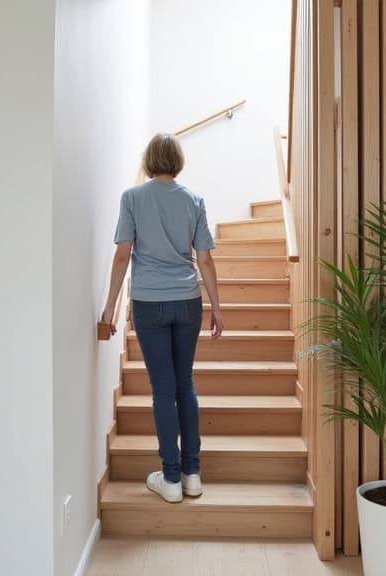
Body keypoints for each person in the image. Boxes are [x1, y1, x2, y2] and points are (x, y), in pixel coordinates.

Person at [100, 133, 223, 504]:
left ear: (150, 160)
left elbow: (123, 255)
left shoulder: (132, 198)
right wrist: (217, 307)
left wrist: (110, 306)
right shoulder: (194, 200)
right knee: (185, 385)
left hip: (150, 302)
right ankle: (192, 475)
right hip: (188, 301)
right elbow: (204, 259)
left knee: (163, 390)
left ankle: (169, 478)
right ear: (177, 159)